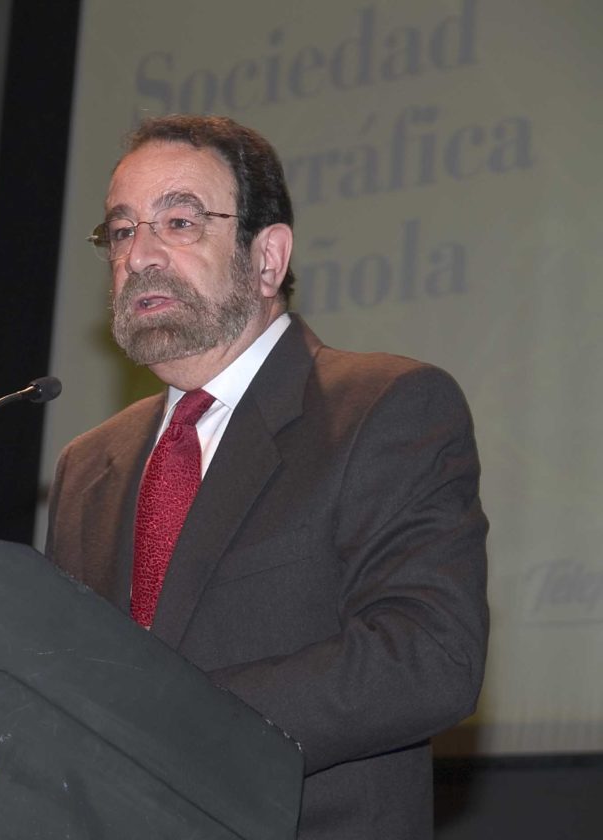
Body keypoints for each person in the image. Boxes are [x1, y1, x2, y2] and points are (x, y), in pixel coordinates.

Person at [45, 115, 488, 840]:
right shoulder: (89, 464)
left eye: (179, 222)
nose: (140, 256)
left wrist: (166, 723)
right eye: (121, 232)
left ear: (267, 257)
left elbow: (428, 656)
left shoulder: (381, 408)